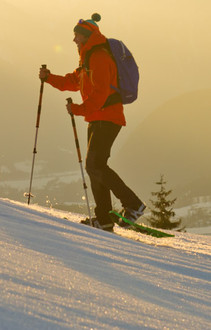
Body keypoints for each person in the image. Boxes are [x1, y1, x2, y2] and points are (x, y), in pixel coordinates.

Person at [40, 13, 145, 230]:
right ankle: (105, 220)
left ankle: (133, 204)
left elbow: (100, 93)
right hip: (99, 117)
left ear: (86, 36)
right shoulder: (88, 57)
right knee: (95, 167)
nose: (74, 40)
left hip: (108, 117)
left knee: (95, 165)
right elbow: (73, 81)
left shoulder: (98, 56)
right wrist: (49, 78)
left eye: (76, 35)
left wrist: (78, 109)